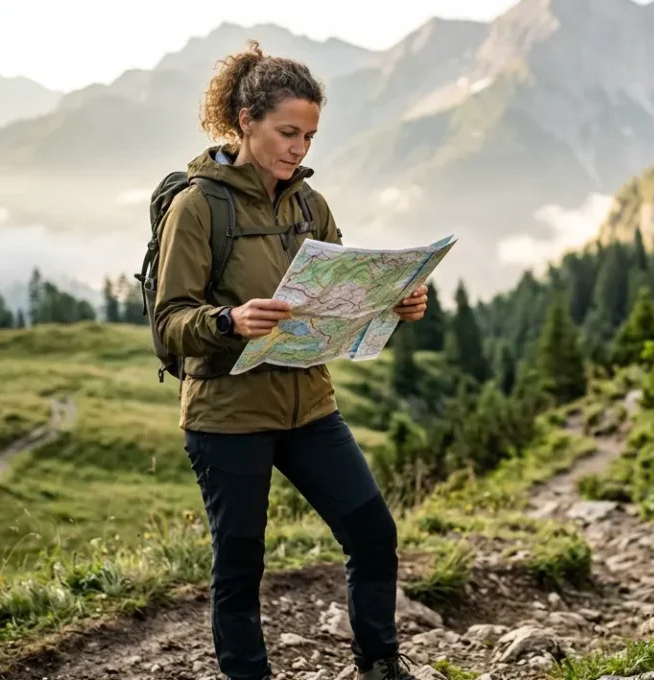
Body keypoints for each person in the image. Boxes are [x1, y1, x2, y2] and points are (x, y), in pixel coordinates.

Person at [152, 40, 428, 680]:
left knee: (372, 532)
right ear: (245, 121)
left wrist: (392, 304)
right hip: (228, 414)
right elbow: (169, 325)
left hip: (310, 405)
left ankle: (379, 663)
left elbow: (337, 291)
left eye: (309, 135)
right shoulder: (199, 207)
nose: (299, 148)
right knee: (241, 561)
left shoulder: (311, 206)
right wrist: (230, 321)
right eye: (286, 132)